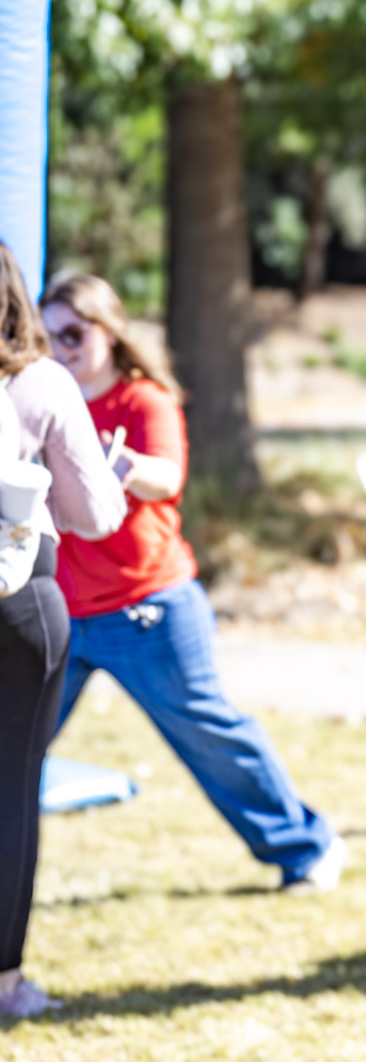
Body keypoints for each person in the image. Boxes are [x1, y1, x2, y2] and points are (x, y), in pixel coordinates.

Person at [37, 271, 346, 899]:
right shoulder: (40, 400)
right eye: (47, 337)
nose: (61, 348)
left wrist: (124, 466)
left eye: (73, 332)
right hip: (60, 614)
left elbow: (165, 476)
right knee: (13, 743)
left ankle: (307, 847)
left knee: (211, 738)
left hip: (146, 610)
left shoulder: (142, 400)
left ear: (109, 330)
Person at [1, 245, 124, 1018]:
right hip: (18, 600)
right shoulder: (41, 381)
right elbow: (94, 514)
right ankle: (4, 980)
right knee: (11, 793)